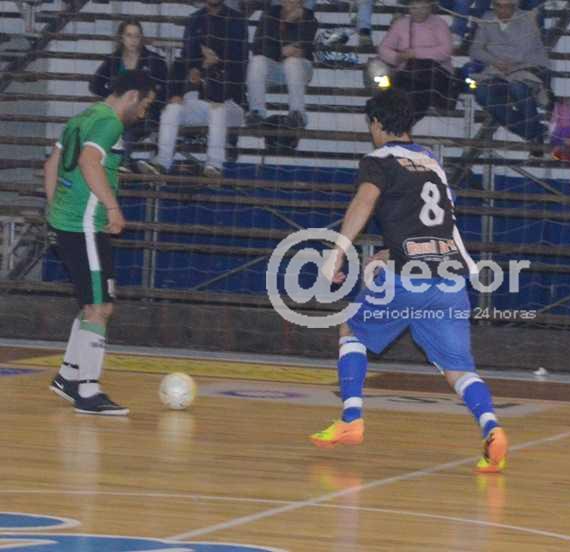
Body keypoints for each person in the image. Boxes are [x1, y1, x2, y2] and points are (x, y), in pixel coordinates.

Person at [309, 89, 508, 473]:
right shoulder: (431, 162)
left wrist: (336, 252)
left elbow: (364, 202)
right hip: (450, 277)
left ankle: (351, 419)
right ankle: (492, 427)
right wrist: (391, 251)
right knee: (458, 369)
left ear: (376, 124)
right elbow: (435, 220)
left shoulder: (379, 160)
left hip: (408, 278)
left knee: (351, 327)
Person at [45, 70, 156, 416]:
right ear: (132, 96)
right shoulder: (110, 122)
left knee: (93, 303)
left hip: (69, 223)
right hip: (85, 226)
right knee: (99, 308)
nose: (143, 113)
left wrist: (56, 209)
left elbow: (51, 165)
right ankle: (88, 392)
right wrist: (112, 207)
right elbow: (88, 161)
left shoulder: (82, 117)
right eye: (145, 105)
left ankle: (68, 377)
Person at [137, 0, 247, 178]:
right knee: (172, 109)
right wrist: (176, 94)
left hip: (230, 104)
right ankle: (162, 162)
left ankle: (214, 165)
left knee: (217, 109)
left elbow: (240, 64)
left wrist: (217, 63)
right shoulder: (194, 19)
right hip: (200, 105)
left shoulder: (237, 20)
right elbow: (185, 58)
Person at [89, 18, 167, 170]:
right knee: (103, 123)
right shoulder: (112, 60)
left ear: (141, 38)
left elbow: (164, 91)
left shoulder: (154, 60)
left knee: (126, 128)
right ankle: (122, 164)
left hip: (145, 114)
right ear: (121, 37)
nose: (133, 40)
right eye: (129, 35)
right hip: (117, 112)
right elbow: (95, 85)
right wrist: (115, 97)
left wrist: (147, 103)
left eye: (137, 36)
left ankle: (122, 163)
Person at [468, 0, 550, 143]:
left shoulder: (527, 18)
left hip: (527, 68)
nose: (502, 10)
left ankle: (534, 134)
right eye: (498, 5)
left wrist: (496, 56)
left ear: (515, 5)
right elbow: (475, 50)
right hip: (496, 70)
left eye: (507, 6)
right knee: (480, 92)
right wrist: (494, 61)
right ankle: (535, 132)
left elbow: (525, 51)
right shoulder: (487, 18)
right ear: (493, 5)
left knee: (518, 88)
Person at [377, 0, 456, 125]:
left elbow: (446, 51)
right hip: (406, 73)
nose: (418, 12)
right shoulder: (400, 24)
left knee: (414, 96)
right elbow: (383, 49)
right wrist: (398, 57)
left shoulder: (439, 24)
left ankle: (401, 127)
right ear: (409, 8)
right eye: (414, 8)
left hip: (434, 74)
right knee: (396, 96)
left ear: (430, 8)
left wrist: (416, 53)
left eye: (423, 8)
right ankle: (398, 126)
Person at [246, 0, 318, 128]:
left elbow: (303, 47)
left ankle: (298, 114)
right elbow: (258, 47)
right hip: (275, 69)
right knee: (257, 61)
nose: (289, 1)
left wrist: (289, 26)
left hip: (301, 70)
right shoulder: (270, 14)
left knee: (292, 61)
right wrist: (282, 50)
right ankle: (257, 112)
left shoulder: (309, 18)